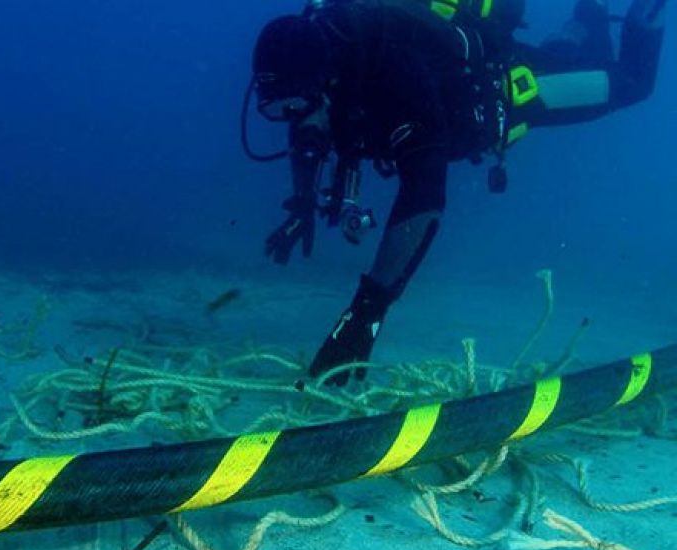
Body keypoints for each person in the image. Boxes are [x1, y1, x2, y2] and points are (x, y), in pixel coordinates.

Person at [244, 0, 666, 385]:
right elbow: (306, 133)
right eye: (277, 110)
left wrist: (366, 311)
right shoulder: (319, 71)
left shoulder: (394, 73)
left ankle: (643, 12)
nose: (295, 119)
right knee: (566, 58)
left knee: (630, 82)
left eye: (296, 104)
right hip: (453, 96)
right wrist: (301, 203)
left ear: (328, 77)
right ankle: (586, 19)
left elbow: (424, 195)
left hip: (508, 91)